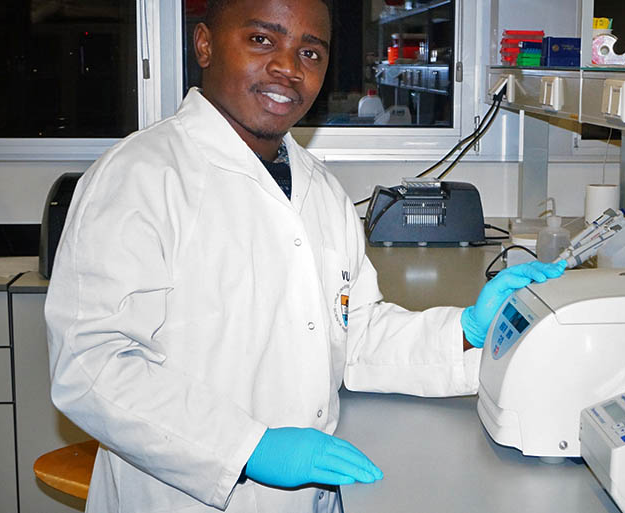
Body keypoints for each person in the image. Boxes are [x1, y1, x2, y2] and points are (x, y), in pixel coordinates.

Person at [44, 0, 566, 511]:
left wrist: (466, 330)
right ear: (204, 44)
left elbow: (354, 334)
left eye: (310, 53)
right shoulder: (137, 178)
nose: (287, 68)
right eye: (261, 39)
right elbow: (92, 365)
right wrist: (246, 447)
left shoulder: (320, 190)